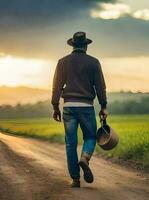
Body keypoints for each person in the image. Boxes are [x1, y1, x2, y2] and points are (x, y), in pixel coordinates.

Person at [51, 32, 108, 188]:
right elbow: (100, 87)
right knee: (90, 137)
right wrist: (103, 106)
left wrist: (55, 107)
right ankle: (85, 158)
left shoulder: (62, 62)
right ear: (86, 46)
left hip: (68, 106)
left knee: (70, 143)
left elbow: (56, 87)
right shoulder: (94, 62)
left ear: (73, 45)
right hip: (86, 107)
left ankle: (75, 179)